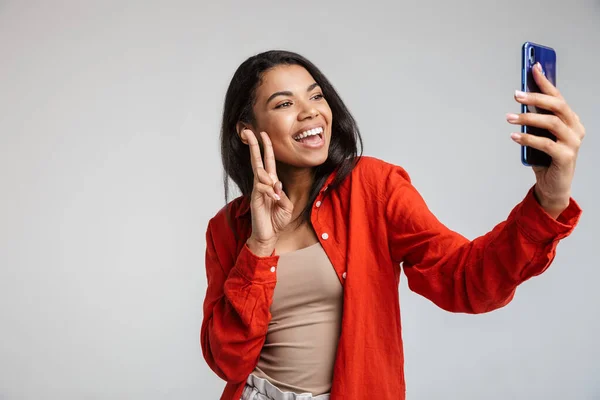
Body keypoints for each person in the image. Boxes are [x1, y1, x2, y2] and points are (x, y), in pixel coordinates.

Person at [200, 50, 584, 400]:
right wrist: (260, 246)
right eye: (285, 103)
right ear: (246, 129)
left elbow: (467, 279)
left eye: (316, 96)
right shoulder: (227, 229)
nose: (310, 112)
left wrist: (549, 202)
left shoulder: (374, 187)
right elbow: (228, 362)